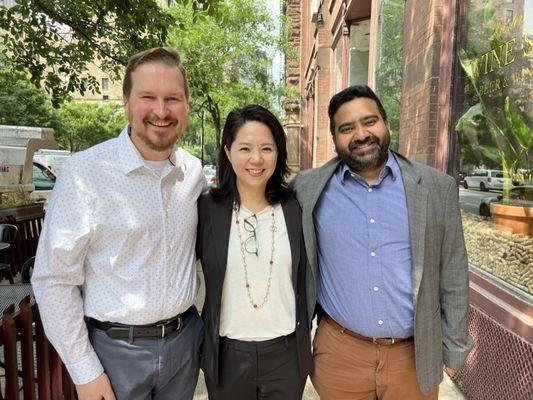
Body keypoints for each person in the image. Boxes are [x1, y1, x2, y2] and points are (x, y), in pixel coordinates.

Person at [31, 47, 204, 400]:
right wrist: (84, 370)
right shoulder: (84, 173)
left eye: (172, 98)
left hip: (185, 347)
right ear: (126, 102)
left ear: (186, 105)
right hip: (114, 354)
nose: (161, 110)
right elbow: (54, 279)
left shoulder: (193, 173)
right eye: (147, 97)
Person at [292, 85, 473, 399]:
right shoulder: (306, 189)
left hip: (413, 357)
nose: (361, 134)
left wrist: (454, 349)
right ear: (334, 138)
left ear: (387, 124)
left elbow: (454, 274)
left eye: (369, 121)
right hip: (340, 354)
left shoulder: (435, 188)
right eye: (346, 128)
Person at [196, 105, 313, 400]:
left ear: (279, 152)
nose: (256, 159)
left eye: (267, 148)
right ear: (227, 150)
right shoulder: (206, 210)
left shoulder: (296, 208)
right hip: (227, 356)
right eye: (245, 148)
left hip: (287, 356)